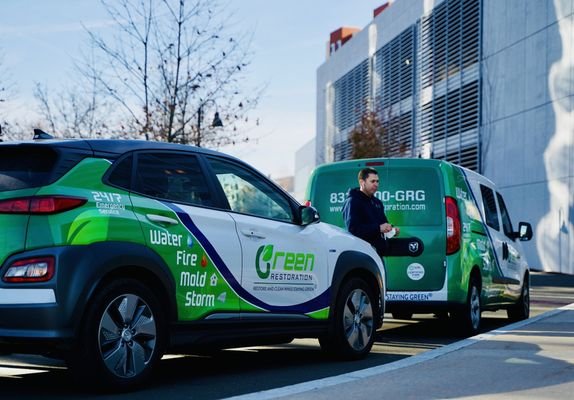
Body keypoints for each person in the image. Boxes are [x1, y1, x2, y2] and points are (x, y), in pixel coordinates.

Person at [342, 167, 400, 255]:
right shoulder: (353, 201)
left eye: (377, 181)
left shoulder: (377, 202)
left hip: (377, 254)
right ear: (362, 182)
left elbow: (383, 224)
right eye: (372, 181)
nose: (376, 184)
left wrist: (391, 230)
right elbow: (353, 229)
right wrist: (379, 228)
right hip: (360, 254)